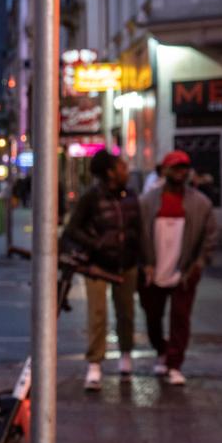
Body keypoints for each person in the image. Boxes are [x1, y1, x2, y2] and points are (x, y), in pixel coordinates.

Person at [138, 150, 221, 386]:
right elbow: (139, 234)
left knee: (180, 318)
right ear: (165, 171)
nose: (180, 173)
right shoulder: (148, 202)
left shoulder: (200, 204)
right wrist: (146, 263)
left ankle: (174, 363)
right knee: (152, 316)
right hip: (154, 271)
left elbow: (210, 236)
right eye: (175, 168)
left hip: (184, 271)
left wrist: (199, 264)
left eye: (184, 168)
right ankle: (161, 350)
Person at [62, 149, 141, 391]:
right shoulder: (91, 198)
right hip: (96, 265)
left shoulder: (131, 195)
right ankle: (95, 363)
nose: (126, 170)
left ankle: (125, 357)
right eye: (122, 166)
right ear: (111, 172)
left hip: (126, 263)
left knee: (126, 312)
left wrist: (144, 259)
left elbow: (140, 230)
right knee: (97, 314)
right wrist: (96, 243)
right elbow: (71, 230)